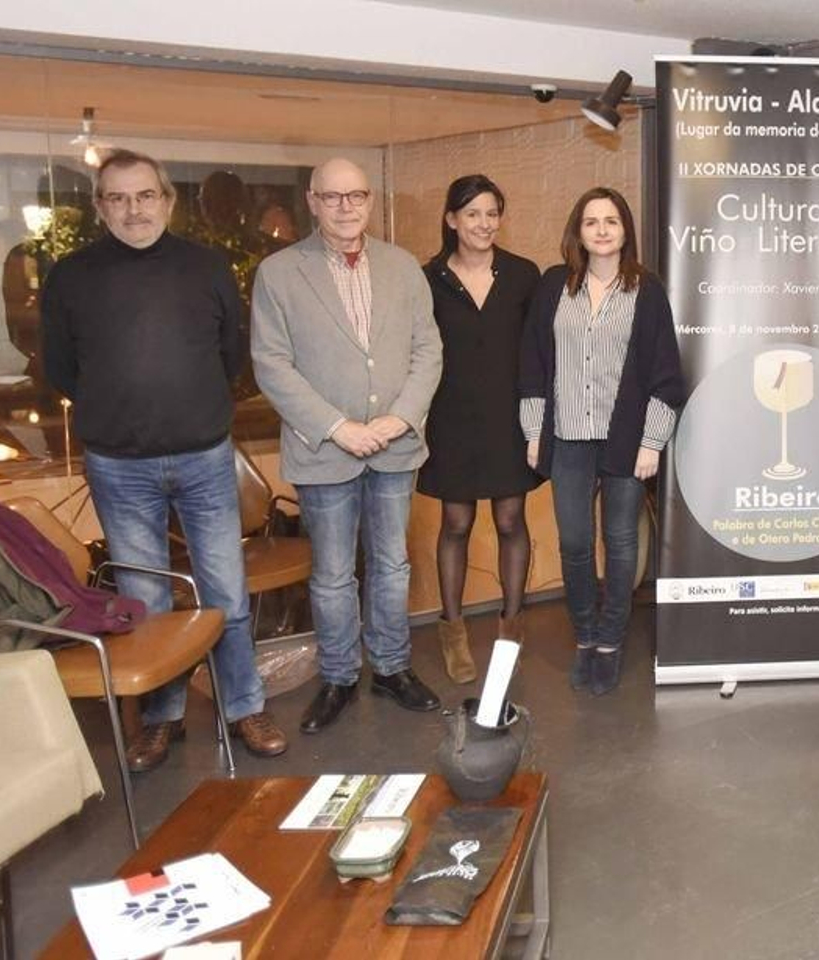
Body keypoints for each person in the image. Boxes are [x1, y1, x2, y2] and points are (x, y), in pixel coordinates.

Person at [40, 149, 286, 770]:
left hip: (204, 457)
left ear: (167, 201)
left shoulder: (206, 267)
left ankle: (243, 706)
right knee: (144, 600)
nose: (133, 209)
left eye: (144, 195)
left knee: (225, 591)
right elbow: (61, 369)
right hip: (119, 466)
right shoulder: (71, 276)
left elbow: (231, 356)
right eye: (117, 198)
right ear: (99, 207)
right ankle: (161, 717)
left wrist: (186, 405)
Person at [251, 157, 444, 734]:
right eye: (332, 197)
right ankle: (338, 676)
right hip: (324, 450)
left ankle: (391, 668)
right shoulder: (280, 273)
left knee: (392, 565)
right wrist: (339, 427)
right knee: (333, 575)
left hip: (393, 448)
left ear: (368, 200)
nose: (345, 207)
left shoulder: (404, 267)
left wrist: (400, 418)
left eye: (355, 195)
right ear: (312, 201)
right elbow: (271, 363)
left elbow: (427, 352)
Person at [519, 186, 684, 696]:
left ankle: (611, 641)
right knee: (572, 543)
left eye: (611, 220)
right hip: (566, 437)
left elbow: (665, 374)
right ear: (579, 231)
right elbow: (532, 362)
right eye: (592, 221)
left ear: (625, 230)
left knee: (620, 543)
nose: (602, 229)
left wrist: (652, 442)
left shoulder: (647, 290)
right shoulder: (553, 286)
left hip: (626, 439)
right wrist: (533, 430)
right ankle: (585, 635)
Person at [418, 174, 542, 683]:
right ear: (451, 219)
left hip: (509, 420)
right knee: (456, 524)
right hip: (450, 420)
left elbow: (538, 351)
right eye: (472, 214)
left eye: (492, 213)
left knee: (512, 521)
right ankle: (453, 632)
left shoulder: (522, 274)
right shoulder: (427, 279)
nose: (483, 223)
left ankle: (510, 630)